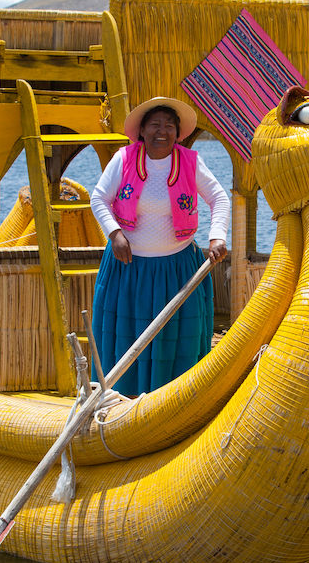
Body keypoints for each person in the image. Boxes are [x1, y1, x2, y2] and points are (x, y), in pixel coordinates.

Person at [89, 96, 230, 396]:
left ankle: (175, 401)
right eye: (155, 125)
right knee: (125, 337)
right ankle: (119, 400)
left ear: (179, 133)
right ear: (142, 131)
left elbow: (218, 198)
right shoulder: (124, 159)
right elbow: (99, 197)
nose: (162, 131)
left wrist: (217, 235)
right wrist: (114, 233)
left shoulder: (190, 162)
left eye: (169, 125)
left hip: (176, 269)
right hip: (128, 271)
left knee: (178, 338)